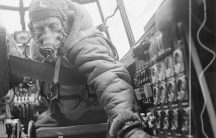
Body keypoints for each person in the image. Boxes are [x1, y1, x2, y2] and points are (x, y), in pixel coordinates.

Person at [28, 0, 151, 137]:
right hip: (62, 116)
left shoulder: (85, 43)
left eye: (53, 25)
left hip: (93, 117)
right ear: (32, 29)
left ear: (65, 23)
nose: (47, 34)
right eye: (39, 28)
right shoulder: (40, 52)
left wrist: (126, 124)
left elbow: (108, 77)